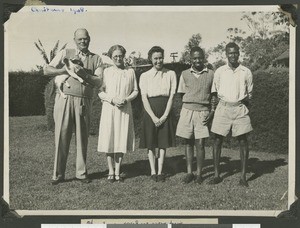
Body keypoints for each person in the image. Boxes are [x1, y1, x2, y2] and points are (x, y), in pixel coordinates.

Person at [43, 28, 103, 185]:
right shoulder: (65, 53)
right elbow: (46, 69)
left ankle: (81, 173)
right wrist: (63, 69)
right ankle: (57, 174)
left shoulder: (96, 58)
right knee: (61, 136)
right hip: (65, 100)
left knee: (82, 138)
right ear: (74, 39)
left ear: (89, 39)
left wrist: (84, 74)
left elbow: (99, 81)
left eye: (86, 38)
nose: (83, 41)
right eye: (80, 39)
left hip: (84, 100)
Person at [210, 42, 253, 187]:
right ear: (226, 54)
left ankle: (243, 177)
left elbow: (249, 93)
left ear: (239, 53)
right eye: (230, 53)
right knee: (217, 140)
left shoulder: (246, 71)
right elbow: (214, 92)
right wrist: (213, 109)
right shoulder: (220, 71)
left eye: (235, 53)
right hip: (223, 107)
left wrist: (241, 106)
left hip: (239, 107)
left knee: (243, 141)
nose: (233, 55)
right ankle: (216, 175)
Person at [98, 45, 138, 183]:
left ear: (124, 56)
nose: (118, 58)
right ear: (111, 57)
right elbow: (100, 92)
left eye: (120, 55)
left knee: (121, 138)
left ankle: (117, 170)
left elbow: (136, 91)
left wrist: (126, 99)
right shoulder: (106, 72)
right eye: (115, 56)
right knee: (109, 138)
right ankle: (110, 170)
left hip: (124, 109)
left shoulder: (130, 72)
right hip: (109, 108)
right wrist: (112, 99)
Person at [176, 47, 215, 184]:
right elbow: (181, 93)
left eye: (200, 58)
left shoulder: (211, 74)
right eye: (194, 58)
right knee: (188, 143)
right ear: (190, 59)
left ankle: (199, 174)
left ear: (204, 58)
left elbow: (214, 95)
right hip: (187, 111)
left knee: (201, 144)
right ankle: (189, 173)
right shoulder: (185, 74)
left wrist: (212, 111)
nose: (197, 60)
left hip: (203, 112)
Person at [139, 46, 177, 182]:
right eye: (155, 58)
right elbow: (144, 98)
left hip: (165, 109)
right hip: (150, 111)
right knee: (151, 142)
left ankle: (160, 171)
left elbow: (172, 96)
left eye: (160, 58)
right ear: (150, 59)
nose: (158, 61)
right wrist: (154, 117)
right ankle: (152, 171)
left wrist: (165, 115)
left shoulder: (171, 74)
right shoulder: (145, 76)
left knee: (162, 142)